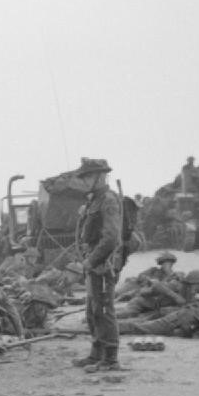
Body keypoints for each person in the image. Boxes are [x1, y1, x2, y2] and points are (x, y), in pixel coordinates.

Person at [72, 158, 123, 372]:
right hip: (93, 264)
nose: (84, 182)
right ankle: (96, 353)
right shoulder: (95, 201)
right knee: (93, 311)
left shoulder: (108, 200)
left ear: (100, 177)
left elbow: (111, 238)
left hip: (102, 265)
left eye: (88, 177)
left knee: (103, 309)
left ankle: (110, 358)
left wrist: (92, 260)